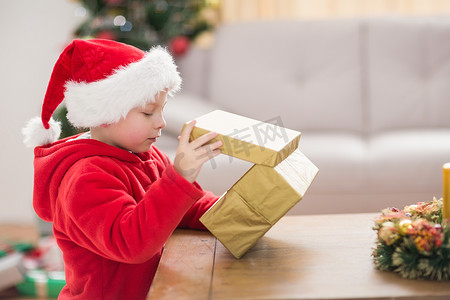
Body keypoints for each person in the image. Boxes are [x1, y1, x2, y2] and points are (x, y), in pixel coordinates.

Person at [22, 39, 222, 299]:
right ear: (105, 115)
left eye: (162, 111)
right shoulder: (84, 178)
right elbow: (131, 243)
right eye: (148, 113)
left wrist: (230, 213)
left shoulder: (148, 156)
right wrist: (178, 179)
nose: (161, 123)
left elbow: (187, 208)